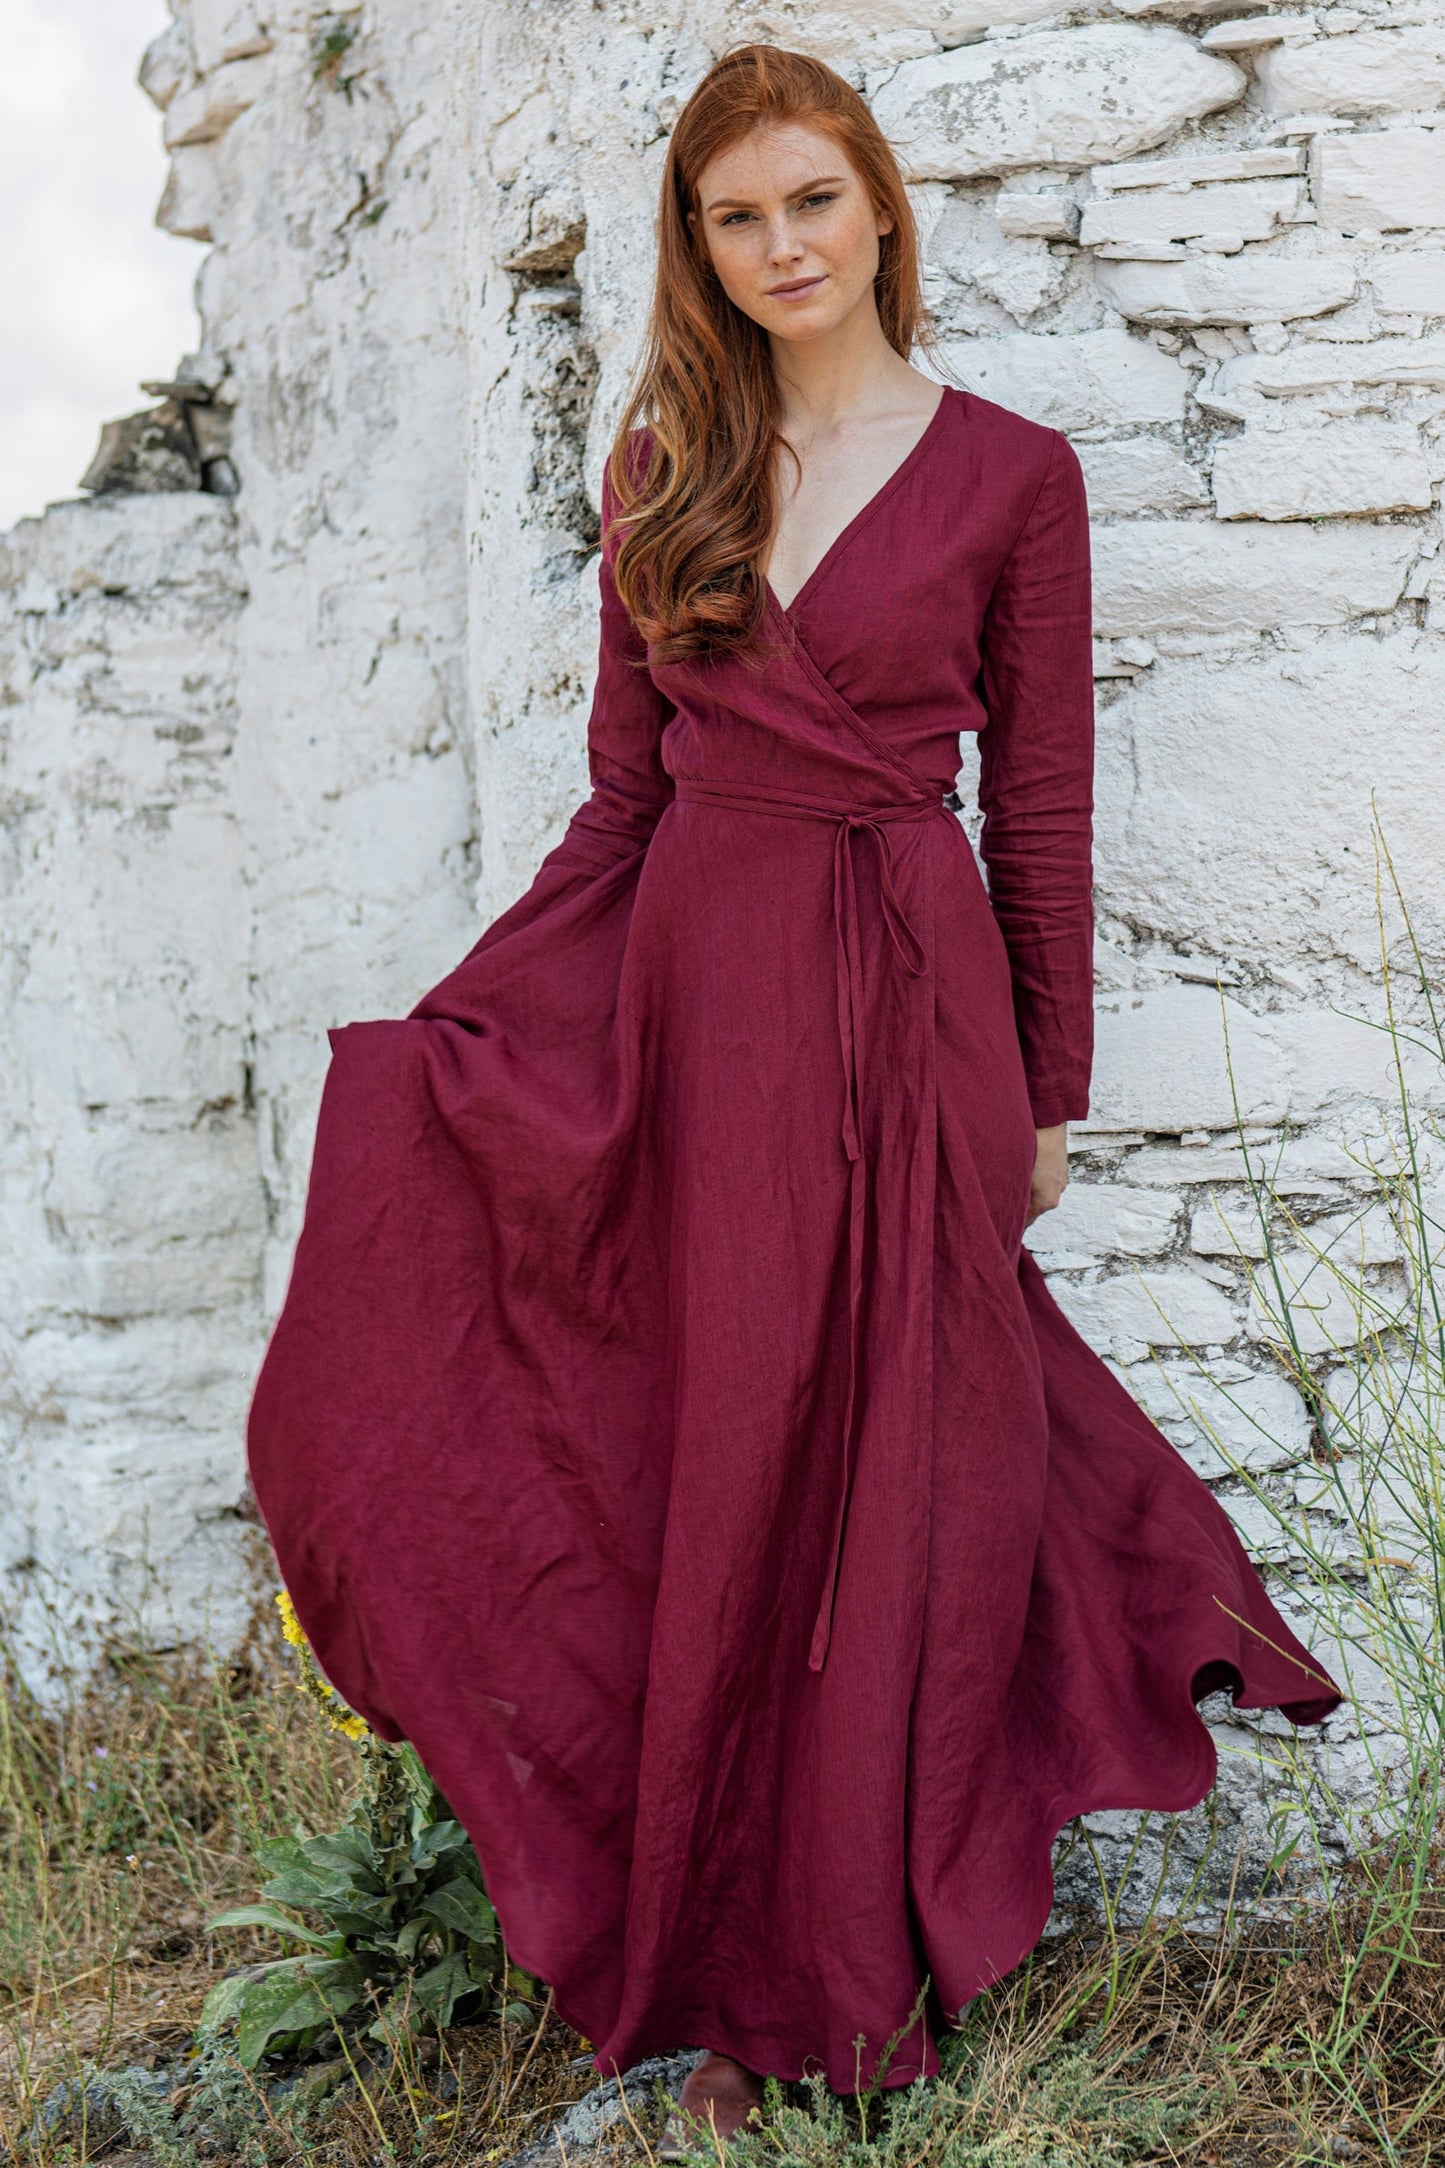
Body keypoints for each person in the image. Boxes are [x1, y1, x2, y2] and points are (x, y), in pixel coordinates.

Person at [246, 41, 1340, 2154]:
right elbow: (619, 807)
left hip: (903, 994)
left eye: (813, 204)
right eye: (739, 218)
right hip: (701, 1012)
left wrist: (1043, 1087)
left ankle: (857, 1960)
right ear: (701, 243)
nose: (783, 248)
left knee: (903, 1470)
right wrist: (454, 1029)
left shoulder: (1016, 474)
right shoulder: (671, 461)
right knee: (729, 1464)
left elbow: (1035, 814)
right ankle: (721, 1950)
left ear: (881, 208)